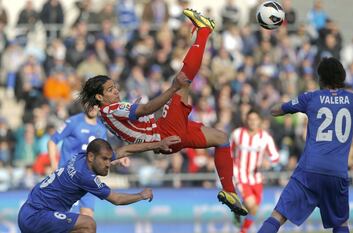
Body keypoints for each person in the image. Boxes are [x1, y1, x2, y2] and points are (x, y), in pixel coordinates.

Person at [79, 9, 248, 216]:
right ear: (99, 97)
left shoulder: (107, 115)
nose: (116, 91)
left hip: (166, 136)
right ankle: (204, 31)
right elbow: (146, 109)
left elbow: (136, 125)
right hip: (165, 132)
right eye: (111, 90)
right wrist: (172, 89)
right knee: (182, 81)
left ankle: (229, 192)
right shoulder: (111, 109)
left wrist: (144, 120)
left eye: (115, 87)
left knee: (221, 138)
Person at [258, 57, 353, 233]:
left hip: (309, 171)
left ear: (320, 78)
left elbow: (276, 110)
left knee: (277, 216)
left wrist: (281, 105)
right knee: (341, 223)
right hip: (337, 173)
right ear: (342, 77)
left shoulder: (310, 97)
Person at [18, 138, 180, 233]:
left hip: (32, 211)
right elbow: (116, 199)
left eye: (110, 159)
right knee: (88, 224)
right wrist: (141, 195)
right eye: (104, 159)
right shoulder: (85, 176)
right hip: (36, 215)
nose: (108, 164)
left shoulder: (82, 156)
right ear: (91, 157)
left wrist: (156, 144)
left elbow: (124, 151)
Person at [230, 109, 279, 233]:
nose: (252, 122)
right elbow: (228, 152)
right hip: (240, 175)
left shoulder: (265, 138)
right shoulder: (237, 134)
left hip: (256, 177)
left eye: (255, 119)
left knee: (255, 209)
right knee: (251, 204)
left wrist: (268, 161)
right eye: (250, 119)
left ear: (259, 121)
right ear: (246, 120)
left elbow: (275, 156)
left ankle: (241, 224)